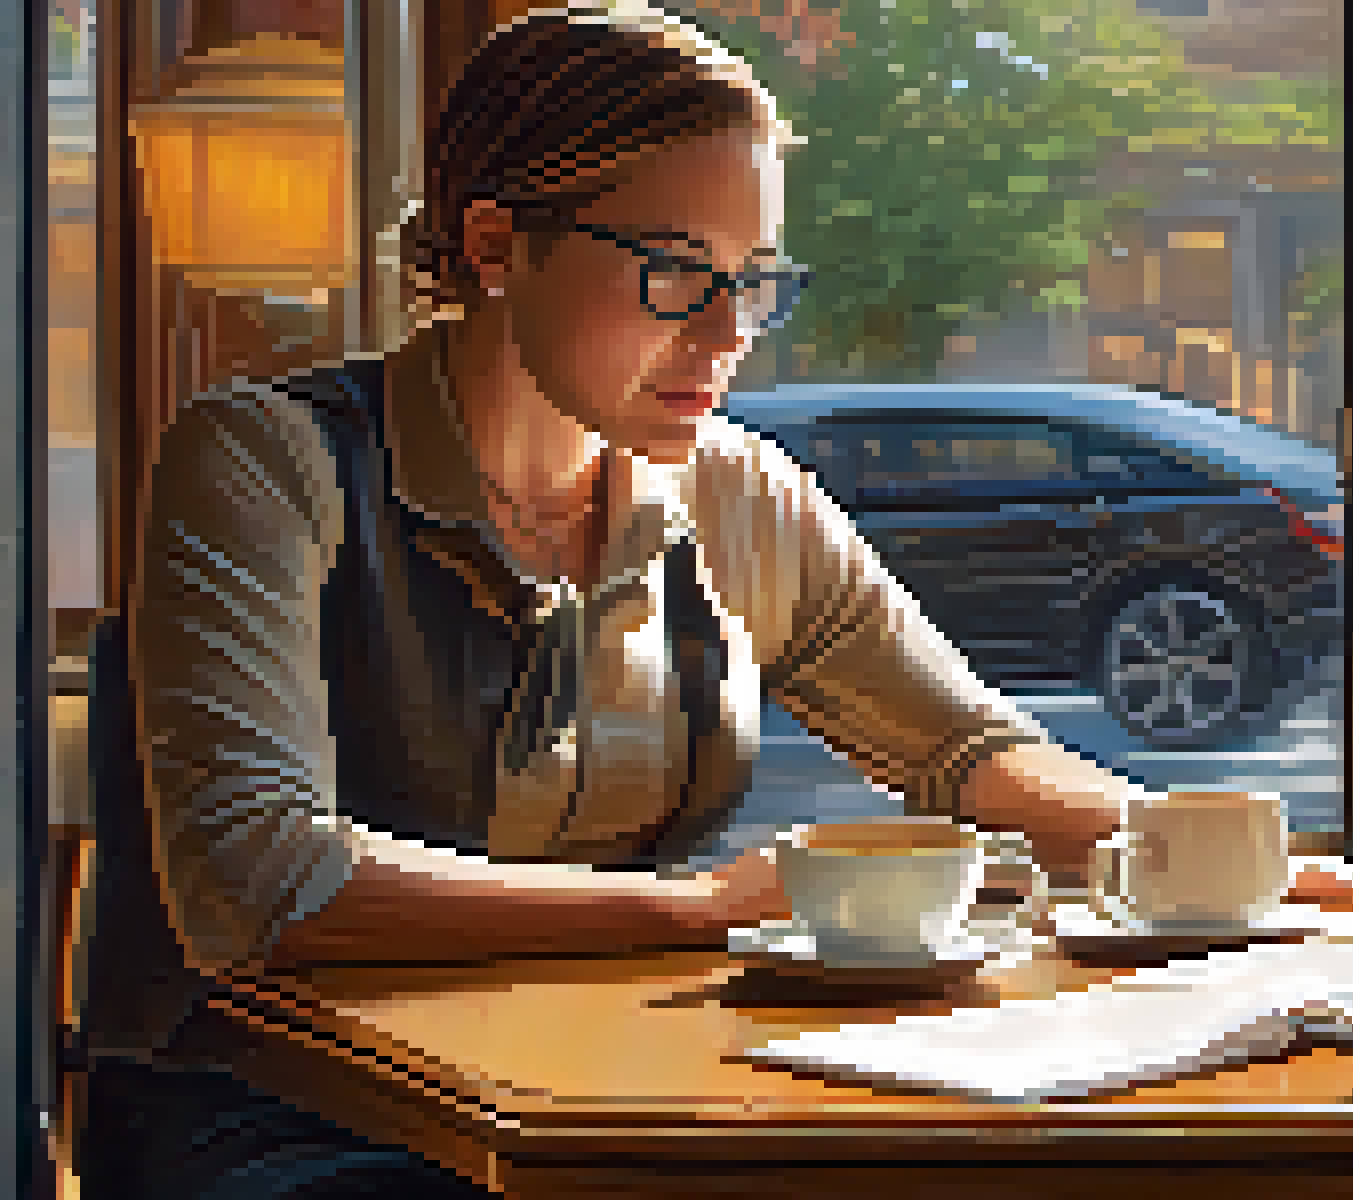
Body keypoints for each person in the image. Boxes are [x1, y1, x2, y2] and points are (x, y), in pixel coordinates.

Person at [78, 6, 1141, 1195]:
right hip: (277, 1116)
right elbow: (258, 882)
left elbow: (966, 750)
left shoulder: (738, 495)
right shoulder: (269, 463)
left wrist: (1211, 859)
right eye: (675, 272)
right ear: (495, 245)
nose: (730, 333)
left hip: (593, 1093)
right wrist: (695, 911)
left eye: (753, 281)